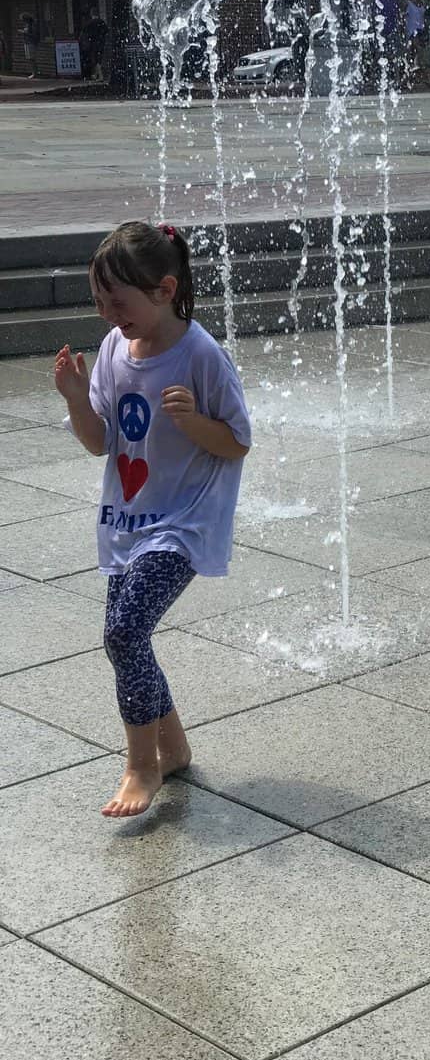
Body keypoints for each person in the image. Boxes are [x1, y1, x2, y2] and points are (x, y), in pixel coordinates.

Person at [53, 221, 251, 819]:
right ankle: (175, 748)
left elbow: (237, 442)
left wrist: (192, 421)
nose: (109, 315)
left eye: (119, 301)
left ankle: (142, 765)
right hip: (128, 521)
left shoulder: (200, 355)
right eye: (99, 302)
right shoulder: (116, 347)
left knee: (123, 634)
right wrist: (74, 396)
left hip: (183, 524)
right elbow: (98, 443)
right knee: (126, 638)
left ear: (165, 290)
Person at [405, 0, 427, 74]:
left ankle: (410, 68)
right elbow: (404, 16)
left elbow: (423, 16)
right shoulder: (408, 4)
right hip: (412, 31)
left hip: (420, 29)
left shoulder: (422, 3)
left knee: (415, 51)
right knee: (416, 48)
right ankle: (415, 68)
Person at [82, 8, 108, 81]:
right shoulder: (102, 22)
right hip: (102, 43)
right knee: (99, 58)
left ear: (91, 14)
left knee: (96, 60)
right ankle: (96, 75)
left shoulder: (90, 23)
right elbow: (106, 31)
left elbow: (86, 33)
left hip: (94, 44)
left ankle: (100, 76)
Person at [20, 12, 39, 78]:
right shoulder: (27, 24)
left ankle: (35, 73)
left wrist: (25, 32)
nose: (23, 21)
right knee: (29, 58)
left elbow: (34, 34)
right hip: (27, 42)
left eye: (23, 19)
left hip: (31, 43)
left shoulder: (32, 24)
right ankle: (33, 72)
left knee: (32, 58)